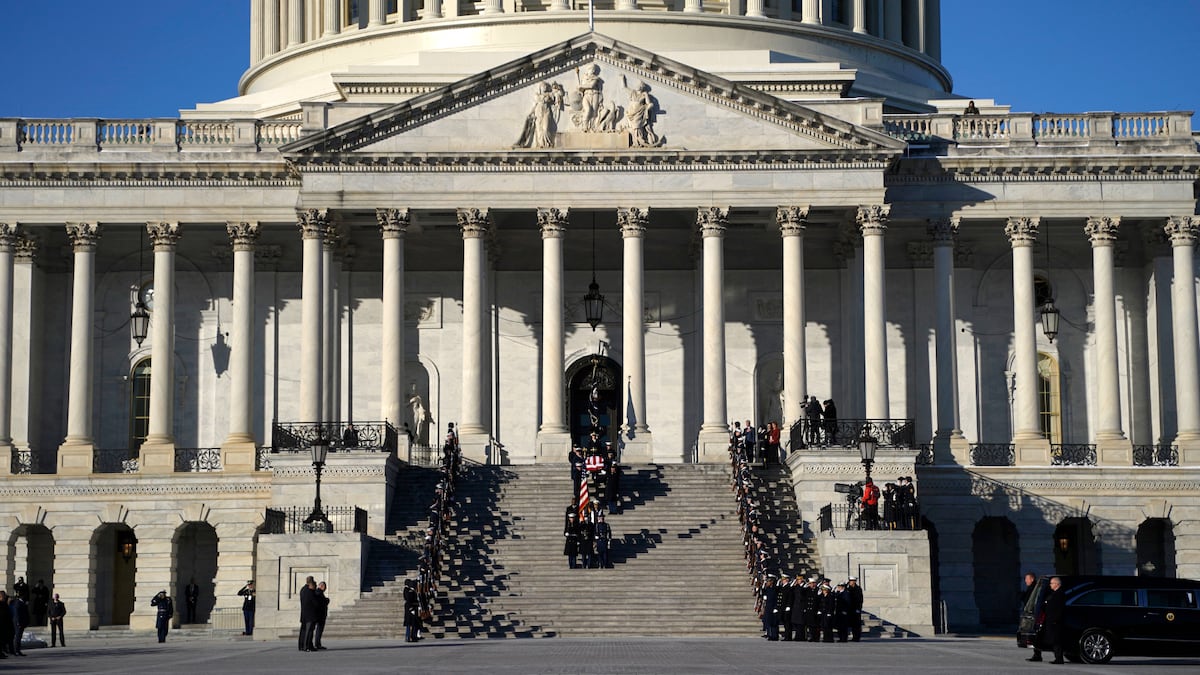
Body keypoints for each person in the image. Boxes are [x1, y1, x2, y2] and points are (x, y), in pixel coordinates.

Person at [1031, 576, 1066, 664]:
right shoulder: (1053, 593)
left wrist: (1055, 620)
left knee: (1056, 640)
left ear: (1057, 584)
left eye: (1051, 583)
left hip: (1055, 622)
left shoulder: (1060, 594)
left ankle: (1059, 658)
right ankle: (1037, 655)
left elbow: (1060, 609)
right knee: (1042, 637)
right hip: (1048, 620)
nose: (1050, 585)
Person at [298, 576, 318, 652]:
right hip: (310, 614)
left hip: (304, 614)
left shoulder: (303, 589)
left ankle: (301, 646)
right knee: (309, 631)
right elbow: (315, 603)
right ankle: (307, 646)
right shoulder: (309, 591)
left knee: (303, 631)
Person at [846, 576, 864, 641]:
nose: (852, 582)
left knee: (856, 624)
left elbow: (860, 600)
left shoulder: (858, 589)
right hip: (849, 609)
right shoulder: (847, 588)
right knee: (849, 623)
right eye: (851, 581)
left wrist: (859, 609)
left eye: (853, 581)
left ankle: (856, 637)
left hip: (856, 609)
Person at [313, 581, 330, 650]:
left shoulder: (318, 592)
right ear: (322, 586)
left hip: (319, 615)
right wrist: (327, 600)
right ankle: (317, 644)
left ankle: (318, 644)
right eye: (325, 587)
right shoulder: (319, 593)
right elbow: (322, 603)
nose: (325, 589)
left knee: (318, 630)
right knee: (319, 630)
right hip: (320, 615)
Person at [0, 591, 12, 659]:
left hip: (4, 625)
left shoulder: (4, 604)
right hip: (1, 624)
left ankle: (2, 652)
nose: (5, 597)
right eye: (3, 596)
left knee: (3, 640)